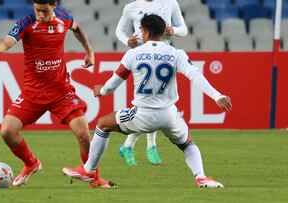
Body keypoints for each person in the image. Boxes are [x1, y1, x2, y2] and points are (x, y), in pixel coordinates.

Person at [63, 14, 232, 188]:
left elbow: (114, 83)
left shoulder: (134, 54)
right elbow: (194, 76)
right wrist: (217, 96)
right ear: (162, 32)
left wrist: (103, 90)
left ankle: (89, 169)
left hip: (142, 114)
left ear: (146, 32)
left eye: (141, 30)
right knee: (188, 143)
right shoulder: (175, 53)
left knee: (103, 124)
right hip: (169, 114)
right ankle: (201, 177)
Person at [0, 0, 112, 188]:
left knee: (84, 134)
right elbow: (5, 45)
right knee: (7, 132)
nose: (40, 15)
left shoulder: (64, 17)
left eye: (44, 11)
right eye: (37, 10)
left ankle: (94, 178)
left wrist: (89, 51)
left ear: (53, 5)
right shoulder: (26, 23)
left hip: (61, 92)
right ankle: (31, 163)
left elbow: (76, 27)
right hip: (32, 92)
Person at [115, 0, 188, 166]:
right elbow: (119, 30)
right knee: (151, 105)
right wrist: (127, 41)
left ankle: (132, 146)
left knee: (153, 106)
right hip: (141, 59)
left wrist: (174, 30)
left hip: (164, 58)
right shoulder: (131, 7)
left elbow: (184, 29)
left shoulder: (170, 3)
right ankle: (150, 146)